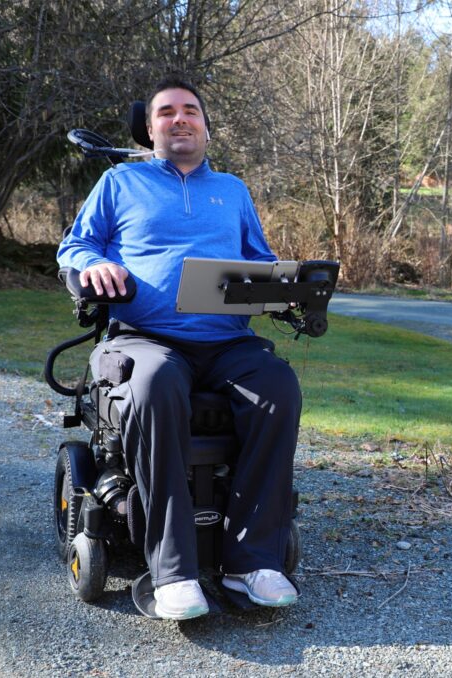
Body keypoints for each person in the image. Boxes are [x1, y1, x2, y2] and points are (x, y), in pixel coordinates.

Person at [57, 76, 299, 620]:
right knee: (154, 383)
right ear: (150, 129)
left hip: (228, 342)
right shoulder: (120, 182)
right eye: (166, 112)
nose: (179, 118)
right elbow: (75, 245)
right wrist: (93, 264)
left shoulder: (232, 191)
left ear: (207, 128)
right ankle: (173, 572)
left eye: (190, 110)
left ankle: (252, 563)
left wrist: (286, 285)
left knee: (278, 386)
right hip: (145, 339)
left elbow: (259, 260)